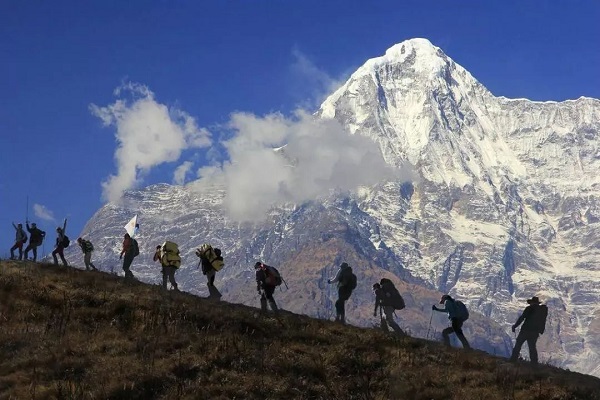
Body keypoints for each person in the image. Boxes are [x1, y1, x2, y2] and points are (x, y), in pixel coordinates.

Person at [510, 296, 547, 365]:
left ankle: (513, 360)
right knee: (532, 347)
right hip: (534, 332)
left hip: (525, 330)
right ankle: (534, 363)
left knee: (518, 344)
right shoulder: (541, 311)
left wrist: (515, 326)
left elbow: (522, 318)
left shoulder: (529, 309)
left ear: (532, 302)